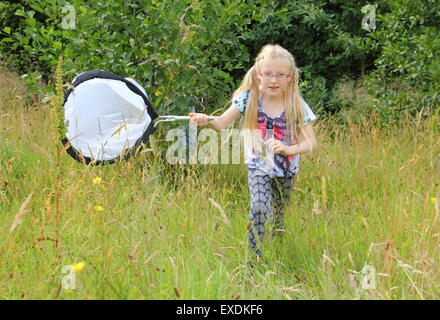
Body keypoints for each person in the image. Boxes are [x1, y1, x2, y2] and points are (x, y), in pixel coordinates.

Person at [189, 44, 318, 257]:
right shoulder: (248, 99)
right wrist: (206, 120)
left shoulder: (297, 104)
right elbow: (221, 123)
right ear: (258, 75)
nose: (274, 80)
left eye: (280, 75)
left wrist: (288, 148)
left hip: (287, 170)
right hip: (258, 165)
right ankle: (254, 261)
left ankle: (278, 250)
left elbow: (311, 142)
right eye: (268, 74)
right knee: (259, 208)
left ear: (291, 77)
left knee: (278, 215)